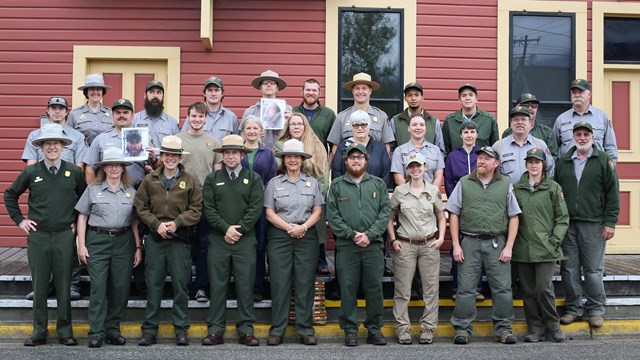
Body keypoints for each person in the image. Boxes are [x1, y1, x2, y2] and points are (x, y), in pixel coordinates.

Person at [4, 123, 86, 346]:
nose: (52, 147)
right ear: (41, 147)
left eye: (56, 143)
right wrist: (21, 221)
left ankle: (65, 331)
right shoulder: (31, 172)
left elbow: (84, 200)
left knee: (64, 285)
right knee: (39, 285)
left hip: (63, 236)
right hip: (38, 236)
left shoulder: (74, 172)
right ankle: (39, 331)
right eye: (47, 143)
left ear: (62, 146)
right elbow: (10, 195)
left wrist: (75, 222)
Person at [446, 146, 521, 345]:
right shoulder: (464, 183)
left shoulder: (506, 184)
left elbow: (514, 216)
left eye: (487, 158)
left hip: (498, 243)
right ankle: (462, 329)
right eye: (480, 157)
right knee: (465, 289)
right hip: (469, 242)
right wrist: (456, 244)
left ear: (496, 163)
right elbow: (453, 214)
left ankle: (504, 329)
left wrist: (509, 246)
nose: (481, 161)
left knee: (502, 289)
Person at [134, 136, 203, 346]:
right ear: (161, 157)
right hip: (155, 238)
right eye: (167, 155)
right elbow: (140, 206)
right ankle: (149, 330)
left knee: (181, 285)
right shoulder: (150, 180)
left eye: (175, 155)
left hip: (180, 239)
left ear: (179, 157)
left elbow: (197, 209)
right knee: (153, 284)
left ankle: (181, 329)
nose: (171, 158)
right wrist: (156, 224)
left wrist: (177, 223)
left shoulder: (189, 180)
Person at [554, 121, 620, 328]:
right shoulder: (563, 161)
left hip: (594, 223)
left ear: (592, 137)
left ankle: (595, 309)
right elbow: (557, 194)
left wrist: (610, 222)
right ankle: (573, 308)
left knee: (593, 270)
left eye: (586, 134)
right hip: (568, 224)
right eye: (578, 134)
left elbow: (613, 193)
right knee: (569, 269)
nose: (582, 138)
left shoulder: (603, 160)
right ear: (573, 137)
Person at [75, 147, 142, 348]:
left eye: (117, 165)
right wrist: (81, 244)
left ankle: (113, 329)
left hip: (124, 241)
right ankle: (96, 332)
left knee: (120, 287)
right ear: (103, 168)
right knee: (98, 287)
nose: (114, 168)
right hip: (97, 240)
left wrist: (138, 247)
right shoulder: (93, 190)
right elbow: (82, 217)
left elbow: (135, 222)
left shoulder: (131, 192)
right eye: (109, 165)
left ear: (123, 168)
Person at [201, 135, 264, 347]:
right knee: (217, 285)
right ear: (222, 155)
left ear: (242, 155)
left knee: (245, 286)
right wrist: (225, 228)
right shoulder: (213, 178)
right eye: (227, 153)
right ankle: (215, 330)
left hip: (245, 240)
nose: (230, 156)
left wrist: (239, 229)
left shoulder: (253, 178)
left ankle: (246, 329)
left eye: (235, 152)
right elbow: (209, 208)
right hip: (219, 238)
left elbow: (255, 208)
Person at [327, 144, 391, 347]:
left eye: (360, 157)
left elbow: (384, 213)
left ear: (366, 160)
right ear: (345, 161)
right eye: (352, 157)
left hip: (373, 246)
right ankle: (350, 330)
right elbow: (332, 215)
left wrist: (370, 235)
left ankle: (374, 329)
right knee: (348, 289)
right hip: (347, 246)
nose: (356, 161)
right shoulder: (336, 185)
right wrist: (352, 234)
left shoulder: (378, 184)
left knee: (374, 288)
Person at [264, 139, 324, 346]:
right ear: (284, 159)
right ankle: (277, 330)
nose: (292, 160)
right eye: (288, 156)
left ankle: (305, 329)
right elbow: (269, 213)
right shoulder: (274, 183)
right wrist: (288, 227)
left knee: (304, 283)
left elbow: (317, 210)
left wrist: (303, 227)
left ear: (301, 160)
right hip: (280, 236)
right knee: (279, 283)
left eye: (296, 157)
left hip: (306, 236)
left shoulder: (312, 183)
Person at [387, 153, 446, 345]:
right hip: (406, 245)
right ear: (407, 169)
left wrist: (441, 238)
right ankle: (403, 329)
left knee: (431, 290)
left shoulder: (433, 190)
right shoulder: (399, 191)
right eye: (411, 166)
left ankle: (428, 329)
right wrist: (393, 239)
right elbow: (390, 216)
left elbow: (441, 216)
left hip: (429, 244)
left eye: (418, 166)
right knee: (402, 289)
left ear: (425, 166)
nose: (415, 169)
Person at [513, 148, 569, 343]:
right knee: (528, 292)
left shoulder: (553, 188)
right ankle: (535, 328)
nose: (533, 165)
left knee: (544, 289)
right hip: (523, 248)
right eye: (530, 162)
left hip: (546, 247)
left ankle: (553, 327)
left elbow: (562, 218)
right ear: (526, 164)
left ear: (543, 164)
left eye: (537, 162)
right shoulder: (517, 188)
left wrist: (554, 240)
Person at [176, 102, 223, 302]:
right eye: (194, 116)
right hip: (182, 199)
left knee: (204, 245)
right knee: (184, 246)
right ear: (188, 117)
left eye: (201, 117)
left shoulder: (213, 142)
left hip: (205, 199)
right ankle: (184, 286)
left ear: (206, 119)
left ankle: (202, 287)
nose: (197, 120)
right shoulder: (178, 140)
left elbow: (218, 171)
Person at [273, 113, 330, 274]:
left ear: (305, 126)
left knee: (317, 222)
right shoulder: (279, 145)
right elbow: (277, 169)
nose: (296, 127)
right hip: (286, 191)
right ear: (288, 127)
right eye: (293, 124)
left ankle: (320, 260)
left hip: (312, 191)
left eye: (300, 124)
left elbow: (323, 174)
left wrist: (317, 195)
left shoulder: (316, 145)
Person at [443, 120, 484, 301]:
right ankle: (457, 287)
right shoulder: (453, 156)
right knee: (458, 245)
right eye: (465, 132)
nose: (469, 135)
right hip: (459, 206)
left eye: (472, 132)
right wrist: (457, 200)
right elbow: (449, 181)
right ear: (461, 135)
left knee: (477, 248)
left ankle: (477, 287)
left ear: (476, 134)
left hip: (479, 206)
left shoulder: (482, 155)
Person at [239, 115, 278, 302]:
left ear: (260, 131)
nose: (252, 131)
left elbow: (271, 180)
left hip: (261, 205)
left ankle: (258, 286)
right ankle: (242, 284)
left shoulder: (268, 153)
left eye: (255, 128)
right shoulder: (238, 151)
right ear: (243, 131)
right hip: (241, 204)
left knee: (260, 246)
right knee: (243, 245)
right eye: (248, 128)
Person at [327, 72, 395, 163]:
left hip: (373, 169)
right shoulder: (341, 117)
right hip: (349, 167)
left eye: (364, 88)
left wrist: (380, 165)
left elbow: (386, 145)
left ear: (370, 91)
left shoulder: (381, 116)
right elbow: (335, 146)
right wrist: (343, 164)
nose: (360, 92)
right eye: (357, 88)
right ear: (353, 91)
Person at [83, 99, 148, 188]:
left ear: (132, 115)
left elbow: (155, 166)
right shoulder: (101, 139)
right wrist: (95, 192)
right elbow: (89, 167)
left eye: (125, 112)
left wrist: (153, 160)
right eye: (118, 112)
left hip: (138, 192)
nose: (122, 115)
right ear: (112, 115)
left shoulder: (144, 137)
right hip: (109, 192)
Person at [553, 79, 618, 164]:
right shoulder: (561, 119)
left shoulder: (602, 117)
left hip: (596, 170)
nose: (577, 95)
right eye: (574, 92)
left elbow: (611, 147)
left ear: (589, 94)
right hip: (568, 170)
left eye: (580, 92)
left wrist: (609, 170)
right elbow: (553, 148)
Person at [492, 106, 555, 185]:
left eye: (523, 119)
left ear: (530, 123)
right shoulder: (498, 146)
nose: (520, 122)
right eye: (516, 119)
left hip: (534, 194)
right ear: (511, 123)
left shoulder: (540, 145)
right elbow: (491, 173)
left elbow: (550, 170)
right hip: (507, 194)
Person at [22, 96, 87, 168]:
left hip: (68, 178)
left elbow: (79, 167)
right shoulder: (34, 136)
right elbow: (31, 165)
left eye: (61, 108)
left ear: (66, 112)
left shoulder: (78, 137)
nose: (57, 111)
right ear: (48, 111)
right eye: (53, 108)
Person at [331, 110, 390, 186]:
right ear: (351, 127)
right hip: (347, 193)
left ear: (369, 126)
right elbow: (337, 173)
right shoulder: (342, 147)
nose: (360, 128)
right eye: (356, 125)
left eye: (363, 124)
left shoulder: (380, 148)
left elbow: (385, 174)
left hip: (374, 193)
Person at [391, 82, 445, 157]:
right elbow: (391, 150)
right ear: (405, 98)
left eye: (417, 95)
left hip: (428, 167)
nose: (413, 98)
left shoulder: (434, 121)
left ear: (422, 98)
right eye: (409, 95)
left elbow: (441, 151)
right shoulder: (395, 121)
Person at [442, 84, 499, 154]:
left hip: (481, 164)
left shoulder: (489, 120)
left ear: (476, 99)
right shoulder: (450, 121)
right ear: (459, 100)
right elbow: (446, 149)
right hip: (457, 163)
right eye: (464, 95)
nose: (467, 98)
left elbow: (495, 148)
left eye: (471, 95)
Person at [243, 70, 292, 150]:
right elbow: (242, 136)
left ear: (277, 88)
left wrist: (291, 122)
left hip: (282, 154)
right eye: (265, 83)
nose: (269, 85)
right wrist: (254, 133)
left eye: (272, 83)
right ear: (260, 88)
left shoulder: (288, 110)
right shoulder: (250, 112)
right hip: (257, 154)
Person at [501, 93, 558, 162]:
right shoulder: (508, 133)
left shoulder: (547, 133)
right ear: (517, 107)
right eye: (526, 105)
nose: (530, 108)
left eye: (533, 106)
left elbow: (553, 159)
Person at [391, 115, 444, 188]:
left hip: (430, 197)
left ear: (425, 128)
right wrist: (411, 194)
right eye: (414, 125)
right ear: (409, 128)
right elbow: (399, 179)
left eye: (422, 125)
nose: (418, 128)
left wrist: (431, 193)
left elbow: (438, 176)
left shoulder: (435, 150)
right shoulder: (399, 151)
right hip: (407, 196)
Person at [67, 73, 113, 146]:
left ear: (102, 92)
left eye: (98, 89)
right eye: (92, 89)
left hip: (106, 155)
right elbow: (69, 138)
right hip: (83, 155)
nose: (95, 92)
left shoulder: (111, 113)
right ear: (86, 92)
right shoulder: (74, 114)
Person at [132, 80, 180, 148]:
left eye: (159, 92)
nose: (155, 96)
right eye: (151, 92)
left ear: (163, 96)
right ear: (145, 96)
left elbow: (177, 148)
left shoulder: (172, 122)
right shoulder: (134, 120)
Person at [291, 78, 336, 149]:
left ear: (319, 93)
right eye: (308, 90)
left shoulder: (329, 114)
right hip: (296, 158)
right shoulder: (293, 111)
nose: (311, 93)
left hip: (319, 159)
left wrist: (328, 160)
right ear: (302, 92)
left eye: (314, 90)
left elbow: (334, 145)